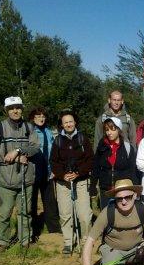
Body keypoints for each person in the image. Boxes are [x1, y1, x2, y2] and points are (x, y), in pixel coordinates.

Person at [0, 96, 40, 251]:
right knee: (5, 213)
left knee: (25, 212)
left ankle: (25, 240)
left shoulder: (29, 128)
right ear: (6, 110)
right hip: (5, 180)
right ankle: (2, 242)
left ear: (21, 109)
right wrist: (11, 159)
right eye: (11, 108)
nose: (15, 111)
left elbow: (35, 147)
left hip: (26, 177)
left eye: (18, 107)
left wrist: (19, 151)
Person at [50, 110, 94, 254]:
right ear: (62, 125)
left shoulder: (83, 139)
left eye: (70, 121)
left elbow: (89, 160)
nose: (68, 124)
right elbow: (54, 162)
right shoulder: (57, 141)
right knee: (65, 214)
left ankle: (85, 240)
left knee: (84, 214)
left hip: (81, 181)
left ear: (75, 122)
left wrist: (78, 173)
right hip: (63, 183)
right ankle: (68, 242)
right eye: (65, 122)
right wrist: (63, 175)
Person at [28, 107, 61, 238]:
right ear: (32, 118)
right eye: (38, 116)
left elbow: (53, 152)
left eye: (43, 116)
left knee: (50, 201)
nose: (41, 118)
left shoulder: (48, 132)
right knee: (33, 201)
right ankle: (34, 229)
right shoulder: (30, 131)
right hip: (34, 171)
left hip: (48, 171)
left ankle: (53, 228)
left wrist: (53, 169)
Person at [91, 117, 137, 210]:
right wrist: (93, 186)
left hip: (122, 190)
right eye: (107, 129)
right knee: (107, 216)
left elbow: (133, 171)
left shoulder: (128, 148)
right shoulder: (101, 146)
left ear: (119, 129)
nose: (109, 132)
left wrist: (135, 190)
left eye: (113, 129)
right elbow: (95, 167)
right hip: (105, 190)